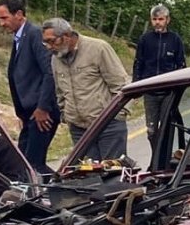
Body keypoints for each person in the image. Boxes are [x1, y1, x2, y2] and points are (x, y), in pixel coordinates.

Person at [43, 18, 129, 161]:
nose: (49, 47)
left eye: (52, 41)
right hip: (79, 130)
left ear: (67, 36)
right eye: (45, 42)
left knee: (113, 171)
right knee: (88, 172)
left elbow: (120, 84)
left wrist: (118, 115)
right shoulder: (55, 59)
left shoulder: (98, 48)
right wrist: (66, 115)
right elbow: (60, 91)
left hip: (108, 125)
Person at [0, 0, 59, 175]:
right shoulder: (19, 37)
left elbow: (50, 72)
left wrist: (43, 108)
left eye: (4, 18)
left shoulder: (34, 34)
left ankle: (63, 186)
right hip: (29, 113)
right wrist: (21, 113)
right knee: (23, 163)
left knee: (33, 166)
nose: (1, 24)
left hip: (42, 113)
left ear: (19, 14)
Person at [133, 4, 186, 147]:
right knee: (151, 131)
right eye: (154, 19)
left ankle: (164, 156)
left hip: (169, 92)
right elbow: (138, 63)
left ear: (167, 20)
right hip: (150, 92)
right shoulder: (145, 39)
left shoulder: (175, 39)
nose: (157, 22)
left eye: (161, 19)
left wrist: (179, 89)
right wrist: (136, 87)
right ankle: (156, 155)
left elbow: (181, 65)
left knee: (166, 129)